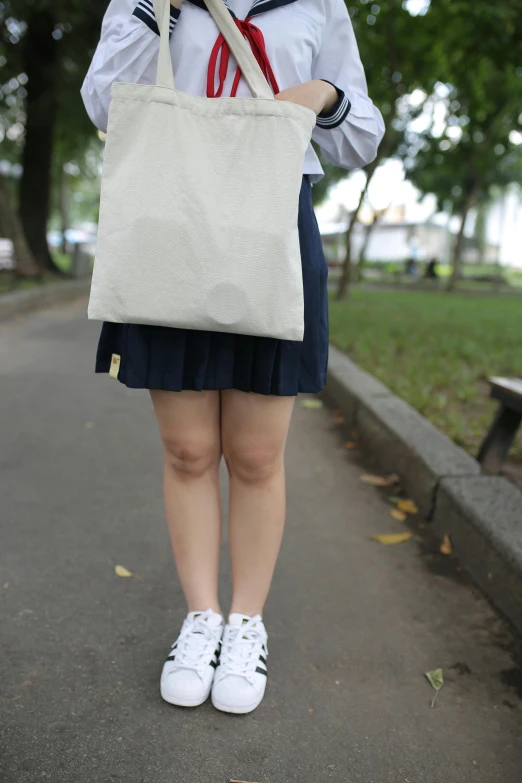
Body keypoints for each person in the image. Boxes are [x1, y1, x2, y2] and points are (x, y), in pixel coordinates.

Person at [82, 0, 384, 714]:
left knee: (254, 455)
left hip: (273, 226)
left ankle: (246, 622)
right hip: (169, 223)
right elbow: (105, 103)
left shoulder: (318, 5)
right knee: (188, 451)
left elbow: (362, 136)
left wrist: (326, 96)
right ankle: (202, 617)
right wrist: (157, 17)